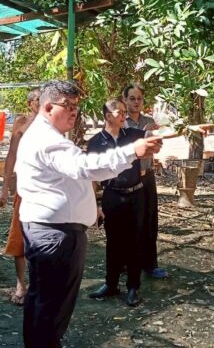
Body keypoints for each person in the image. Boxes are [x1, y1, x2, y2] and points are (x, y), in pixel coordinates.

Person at [15, 80, 163, 348]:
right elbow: (86, 167)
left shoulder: (47, 135)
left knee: (45, 302)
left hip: (51, 230)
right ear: (48, 107)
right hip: (55, 234)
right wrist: (132, 151)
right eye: (68, 106)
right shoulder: (47, 140)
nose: (74, 111)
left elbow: (72, 177)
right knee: (51, 305)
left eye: (76, 106)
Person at [87, 99, 147, 306]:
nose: (123, 115)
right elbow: (91, 176)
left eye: (124, 112)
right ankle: (111, 284)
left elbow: (156, 135)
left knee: (134, 242)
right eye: (119, 112)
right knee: (113, 242)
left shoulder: (133, 135)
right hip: (112, 196)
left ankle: (133, 287)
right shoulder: (95, 142)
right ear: (107, 116)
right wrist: (95, 205)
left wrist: (185, 129)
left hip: (135, 195)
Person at [0, 88, 40, 305]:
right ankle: (21, 284)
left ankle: (39, 285)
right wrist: (4, 189)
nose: (41, 102)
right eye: (37, 99)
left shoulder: (53, 124)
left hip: (46, 190)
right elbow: (12, 155)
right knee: (19, 236)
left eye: (43, 99)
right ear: (30, 103)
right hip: (24, 189)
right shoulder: (22, 122)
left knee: (43, 238)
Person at [123, 83, 169, 278]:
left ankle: (150, 265)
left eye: (139, 99)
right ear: (125, 100)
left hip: (147, 175)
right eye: (132, 98)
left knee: (149, 221)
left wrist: (155, 137)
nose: (136, 102)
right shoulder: (120, 122)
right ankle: (125, 264)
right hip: (128, 177)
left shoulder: (149, 121)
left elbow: (158, 146)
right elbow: (118, 147)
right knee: (128, 222)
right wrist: (142, 134)